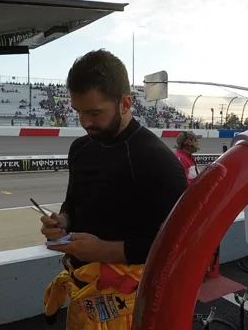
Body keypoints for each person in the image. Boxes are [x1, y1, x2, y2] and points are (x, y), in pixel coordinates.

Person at [39, 49, 188, 329]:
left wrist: (102, 250)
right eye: (78, 112)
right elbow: (73, 202)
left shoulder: (158, 161)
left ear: (125, 103)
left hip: (130, 303)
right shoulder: (80, 148)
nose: (84, 123)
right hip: (82, 289)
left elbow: (175, 245)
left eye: (95, 113)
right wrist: (62, 222)